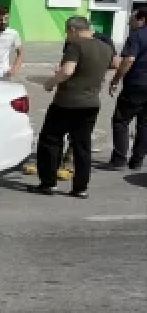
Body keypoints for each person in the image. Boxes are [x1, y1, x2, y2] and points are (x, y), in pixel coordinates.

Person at [30, 16, 117, 199]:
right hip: (91, 104)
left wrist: (50, 83)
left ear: (73, 30)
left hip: (67, 103)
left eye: (67, 32)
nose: (67, 36)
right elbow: (115, 64)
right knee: (82, 146)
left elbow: (68, 71)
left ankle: (48, 183)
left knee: (50, 140)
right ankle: (80, 188)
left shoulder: (76, 46)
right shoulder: (106, 47)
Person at [102, 8, 147, 171]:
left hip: (136, 85)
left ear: (142, 19)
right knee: (145, 124)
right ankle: (137, 161)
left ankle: (119, 160)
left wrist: (115, 80)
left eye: (132, 19)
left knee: (121, 120)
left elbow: (128, 60)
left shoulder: (136, 36)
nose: (129, 23)